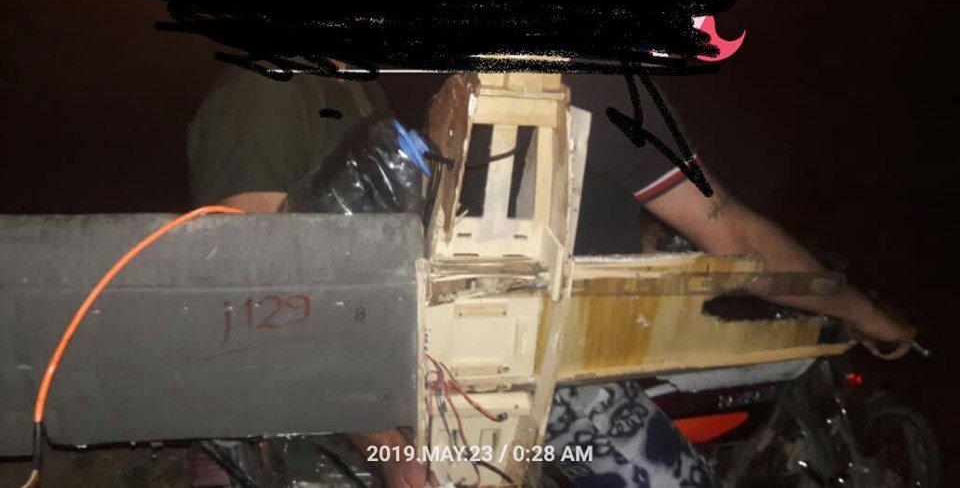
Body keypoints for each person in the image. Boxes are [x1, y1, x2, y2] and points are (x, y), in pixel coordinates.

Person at [187, 67, 915, 487]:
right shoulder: (601, 84)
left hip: (461, 366)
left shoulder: (443, 84)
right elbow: (737, 236)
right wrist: (864, 311)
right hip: (534, 375)